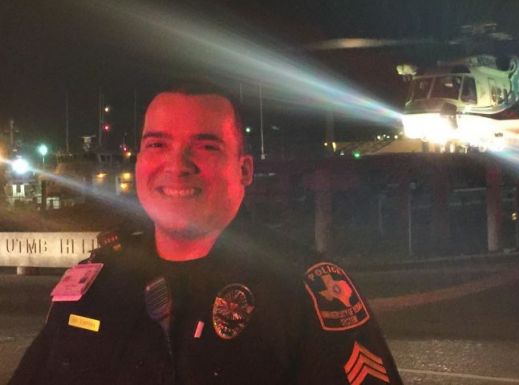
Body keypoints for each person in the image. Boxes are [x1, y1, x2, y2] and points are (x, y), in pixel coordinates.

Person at [9, 81, 404, 385]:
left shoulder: (303, 292)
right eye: (157, 144)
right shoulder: (95, 282)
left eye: (206, 147)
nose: (176, 165)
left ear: (245, 170)